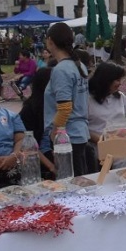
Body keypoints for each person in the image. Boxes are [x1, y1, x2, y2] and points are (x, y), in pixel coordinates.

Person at [43, 22, 92, 176]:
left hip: (66, 137)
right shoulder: (78, 66)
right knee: (79, 178)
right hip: (79, 133)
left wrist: (55, 133)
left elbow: (64, 108)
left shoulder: (61, 70)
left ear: (50, 41)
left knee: (70, 183)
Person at [87, 62, 126, 170]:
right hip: (97, 143)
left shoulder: (120, 97)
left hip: (121, 140)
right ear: (106, 80)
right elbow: (82, 128)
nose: (120, 83)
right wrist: (103, 139)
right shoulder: (88, 100)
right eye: (117, 80)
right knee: (120, 158)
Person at [19, 67, 55, 178]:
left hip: (59, 145)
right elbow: (28, 144)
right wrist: (50, 166)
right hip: (41, 151)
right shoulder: (30, 110)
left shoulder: (61, 104)